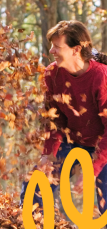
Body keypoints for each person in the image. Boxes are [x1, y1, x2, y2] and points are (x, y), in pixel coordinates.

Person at [20, 20, 107, 215]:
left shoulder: (101, 77)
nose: (51, 51)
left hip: (104, 145)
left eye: (57, 47)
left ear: (76, 50)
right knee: (37, 182)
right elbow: (54, 119)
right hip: (73, 141)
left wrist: (92, 169)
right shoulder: (52, 74)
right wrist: (47, 154)